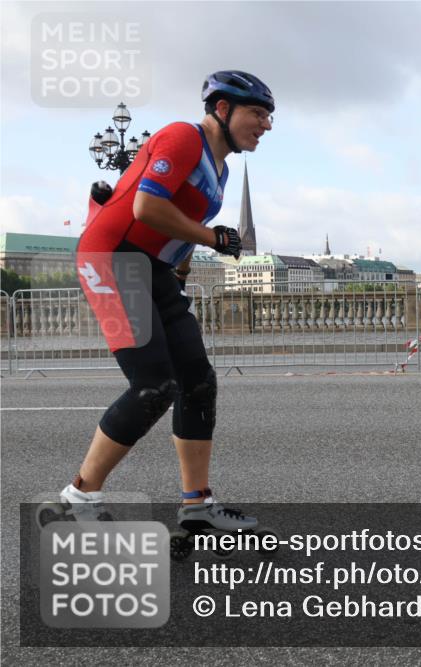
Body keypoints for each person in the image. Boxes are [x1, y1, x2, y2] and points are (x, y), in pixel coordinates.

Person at [59, 71, 274, 530]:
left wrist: (180, 271)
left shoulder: (221, 169)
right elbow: (146, 208)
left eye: (268, 116)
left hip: (154, 268)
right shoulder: (181, 137)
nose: (266, 124)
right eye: (258, 113)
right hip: (112, 256)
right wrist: (215, 237)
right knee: (154, 385)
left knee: (198, 380)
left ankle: (195, 505)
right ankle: (78, 496)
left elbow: (180, 222)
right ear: (222, 109)